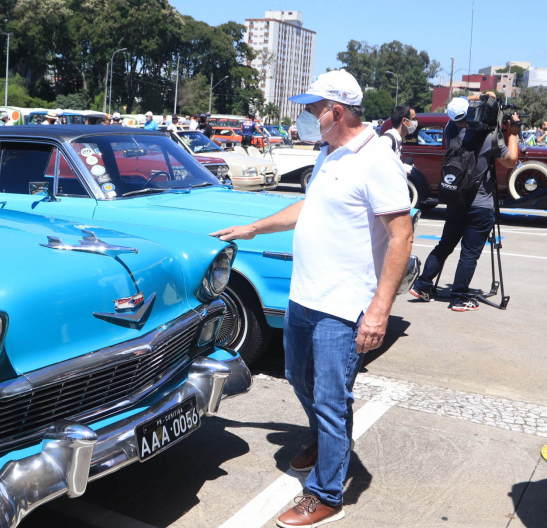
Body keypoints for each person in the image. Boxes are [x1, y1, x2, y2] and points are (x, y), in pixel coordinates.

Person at [210, 69, 413, 527]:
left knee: (330, 396)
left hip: (343, 307)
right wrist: (256, 227)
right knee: (300, 381)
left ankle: (325, 494)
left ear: (335, 111)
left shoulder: (376, 157)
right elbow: (311, 206)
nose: (305, 116)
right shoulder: (329, 153)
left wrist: (379, 310)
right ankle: (328, 438)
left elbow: (401, 236)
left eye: (311, 108)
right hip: (305, 296)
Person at [409, 95, 519, 311]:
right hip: (480, 204)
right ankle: (459, 298)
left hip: (456, 201)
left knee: (445, 245)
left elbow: (458, 109)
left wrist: (473, 100)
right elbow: (511, 160)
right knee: (469, 253)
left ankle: (423, 285)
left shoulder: (450, 131)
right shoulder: (489, 136)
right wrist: (513, 132)